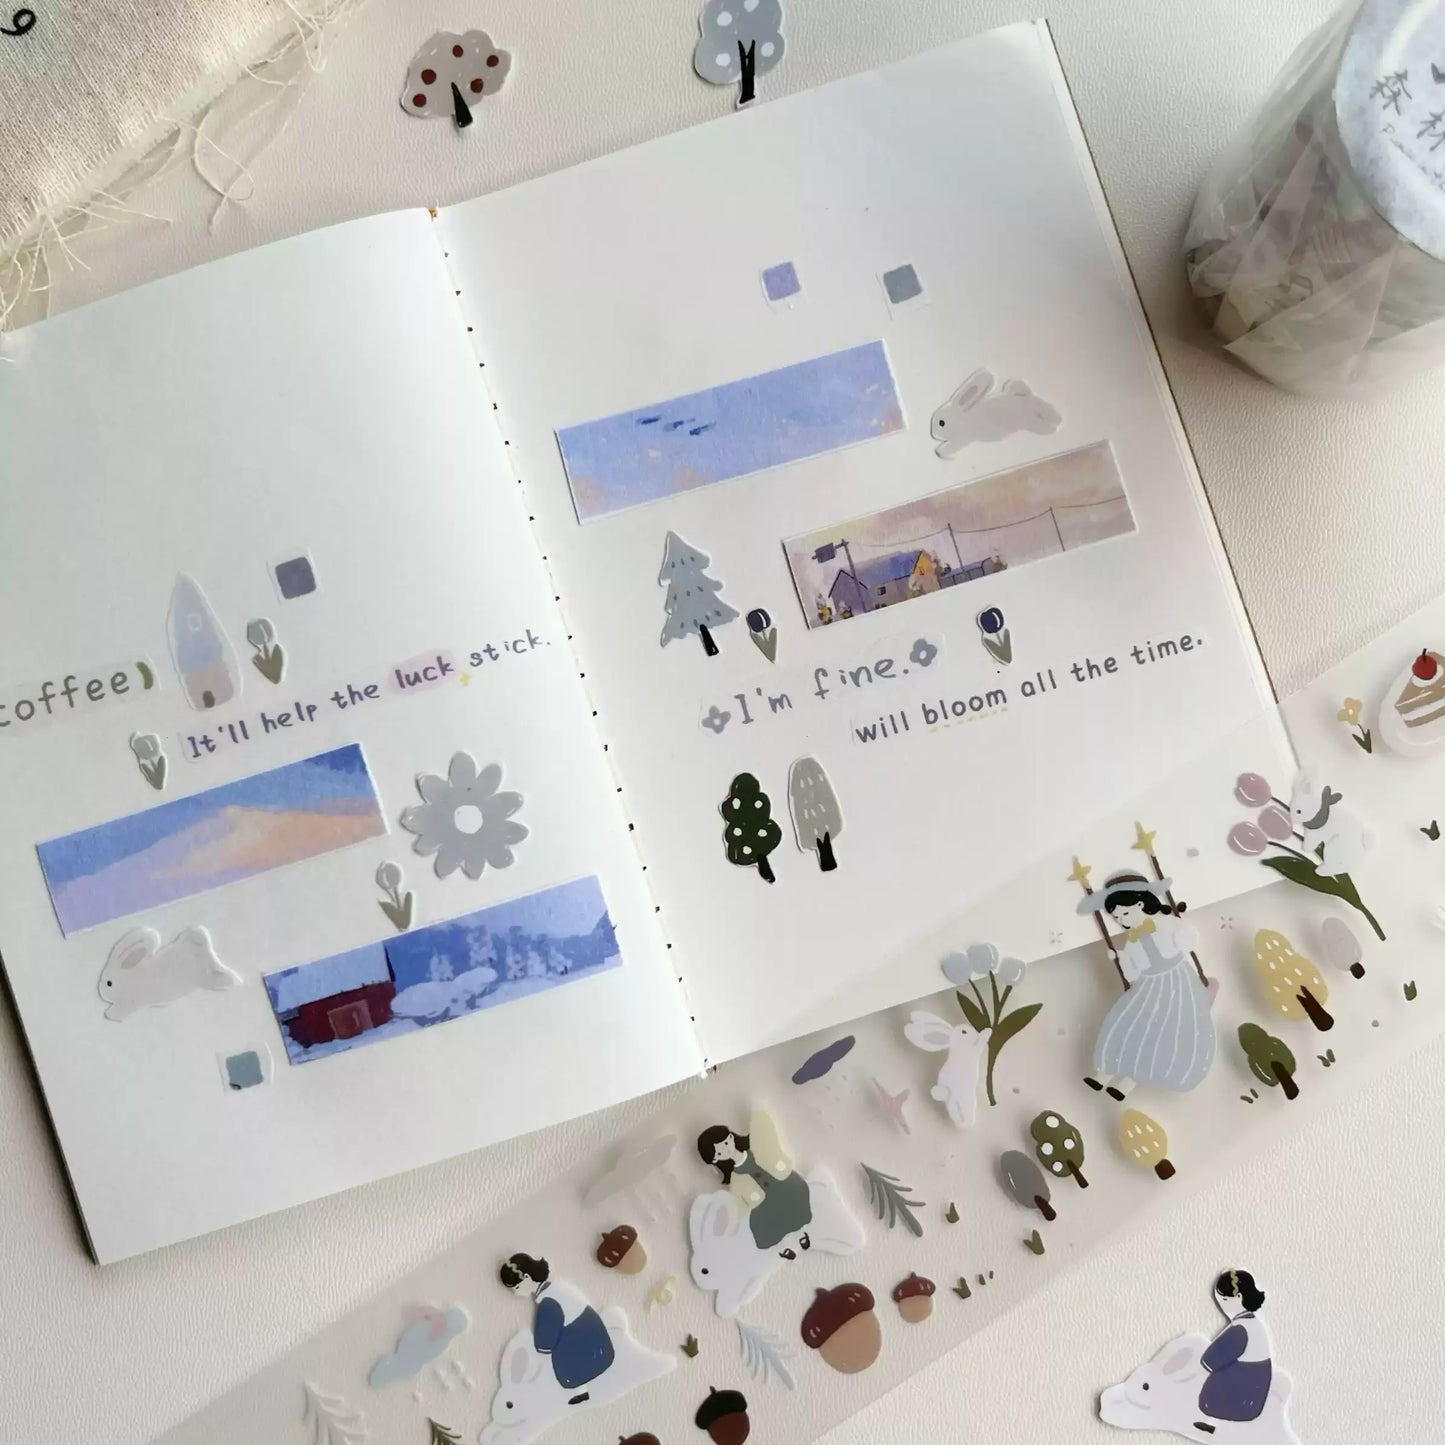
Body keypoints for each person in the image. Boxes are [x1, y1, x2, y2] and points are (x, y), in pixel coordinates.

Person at [1079, 871, 1215, 1098]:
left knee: (1161, 1030)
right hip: (1148, 985)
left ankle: (1127, 1084)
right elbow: (1132, 973)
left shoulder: (1166, 924)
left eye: (1124, 914)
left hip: (1176, 981)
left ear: (1140, 903)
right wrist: (1120, 958)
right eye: (1117, 917)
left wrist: (1183, 934)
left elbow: (1188, 939)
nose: (1122, 921)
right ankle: (1104, 1073)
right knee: (1130, 1024)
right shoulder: (1131, 941)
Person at [499, 1253, 614, 1402]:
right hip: (597, 1342)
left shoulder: (548, 1301)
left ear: (526, 1277)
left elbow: (546, 1338)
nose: (515, 1292)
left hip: (589, 1350)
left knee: (555, 1358)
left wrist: (539, 1347)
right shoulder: (557, 1287)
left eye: (517, 1287)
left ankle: (580, 1390)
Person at [697, 1110, 812, 1258]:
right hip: (765, 1205)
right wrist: (740, 1210)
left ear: (731, 1137)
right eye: (719, 1153)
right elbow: (738, 1203)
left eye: (725, 1143)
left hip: (783, 1187)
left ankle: (802, 1235)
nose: (726, 1149)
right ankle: (785, 1247)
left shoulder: (757, 1150)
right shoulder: (736, 1178)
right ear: (715, 1160)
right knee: (770, 1224)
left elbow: (765, 1130)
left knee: (794, 1204)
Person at [1195, 1269, 1274, 1429]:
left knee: (1207, 1389)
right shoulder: (1253, 1324)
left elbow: (1210, 1360)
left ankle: (1217, 1426)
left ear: (1238, 1297)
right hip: (1252, 1396)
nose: (1221, 1304)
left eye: (1224, 1299)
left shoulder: (1241, 1329)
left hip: (1241, 1398)